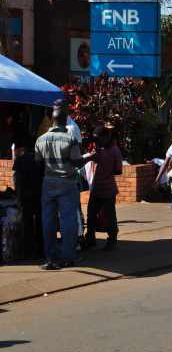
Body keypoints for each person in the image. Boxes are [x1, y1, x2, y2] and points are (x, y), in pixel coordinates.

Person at [35, 101, 92, 270]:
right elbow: (75, 161)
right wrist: (89, 157)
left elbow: (38, 163)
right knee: (68, 221)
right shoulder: (70, 139)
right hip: (67, 183)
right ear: (65, 119)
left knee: (48, 221)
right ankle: (68, 257)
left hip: (48, 183)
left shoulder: (41, 139)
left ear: (52, 120)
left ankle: (51, 258)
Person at [85, 126, 123, 250]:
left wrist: (105, 168)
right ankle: (90, 238)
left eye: (98, 139)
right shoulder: (97, 148)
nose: (96, 141)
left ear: (106, 137)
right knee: (91, 215)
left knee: (109, 215)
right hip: (96, 188)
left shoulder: (114, 150)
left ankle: (112, 239)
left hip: (108, 189)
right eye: (95, 139)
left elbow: (118, 170)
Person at [13, 135, 43, 257]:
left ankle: (29, 249)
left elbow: (17, 179)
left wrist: (18, 195)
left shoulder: (20, 159)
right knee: (40, 221)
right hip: (39, 194)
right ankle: (41, 248)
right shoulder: (40, 159)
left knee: (27, 222)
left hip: (25, 195)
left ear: (24, 147)